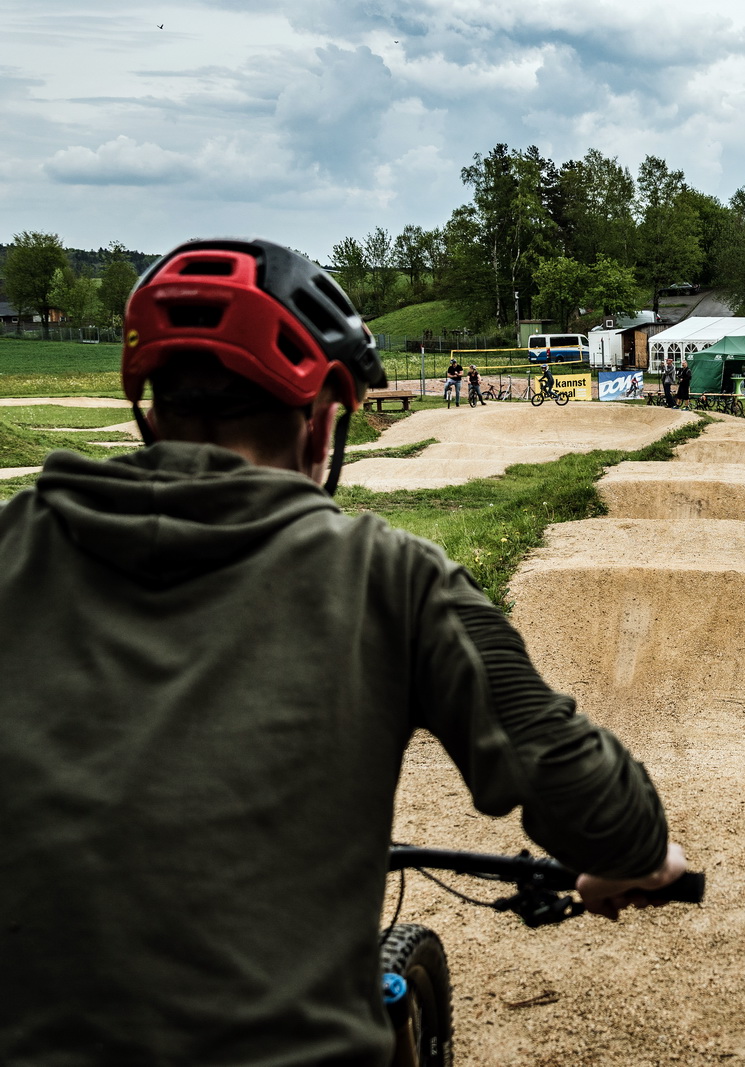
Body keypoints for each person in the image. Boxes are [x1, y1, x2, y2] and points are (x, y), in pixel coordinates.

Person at [0, 238, 685, 1066]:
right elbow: (603, 809)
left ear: (150, 409)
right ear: (324, 417)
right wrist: (634, 856)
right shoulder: (389, 580)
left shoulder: (12, 548)